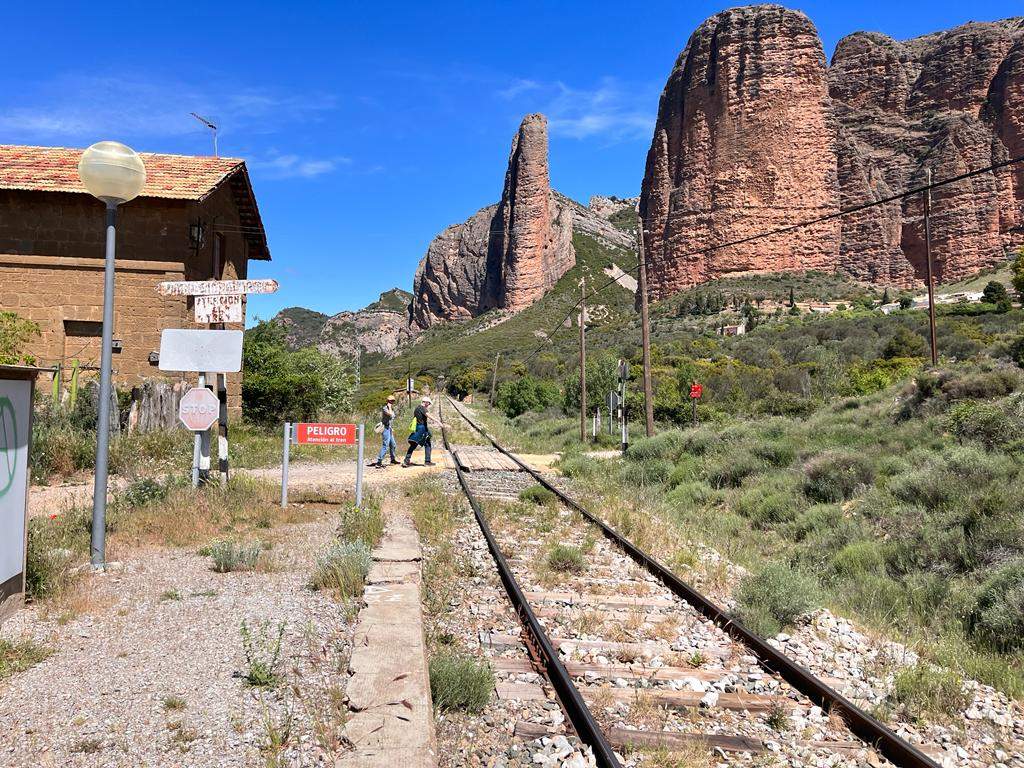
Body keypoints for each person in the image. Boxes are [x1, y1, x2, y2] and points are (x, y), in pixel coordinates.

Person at [403, 395, 441, 467]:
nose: (429, 405)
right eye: (428, 403)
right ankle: (427, 461)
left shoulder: (417, 408)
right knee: (427, 444)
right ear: (425, 402)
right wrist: (438, 421)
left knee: (414, 444)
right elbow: (428, 415)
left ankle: (406, 461)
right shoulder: (422, 408)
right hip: (422, 428)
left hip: (418, 428)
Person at [372, 395, 399, 468]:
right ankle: (379, 462)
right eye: (391, 401)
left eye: (393, 401)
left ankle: (393, 459)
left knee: (393, 444)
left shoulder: (392, 408)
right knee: (385, 445)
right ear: (388, 401)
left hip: (389, 428)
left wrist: (391, 428)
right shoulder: (385, 408)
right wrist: (389, 407)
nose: (392, 402)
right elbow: (390, 415)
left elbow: (391, 418)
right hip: (385, 428)